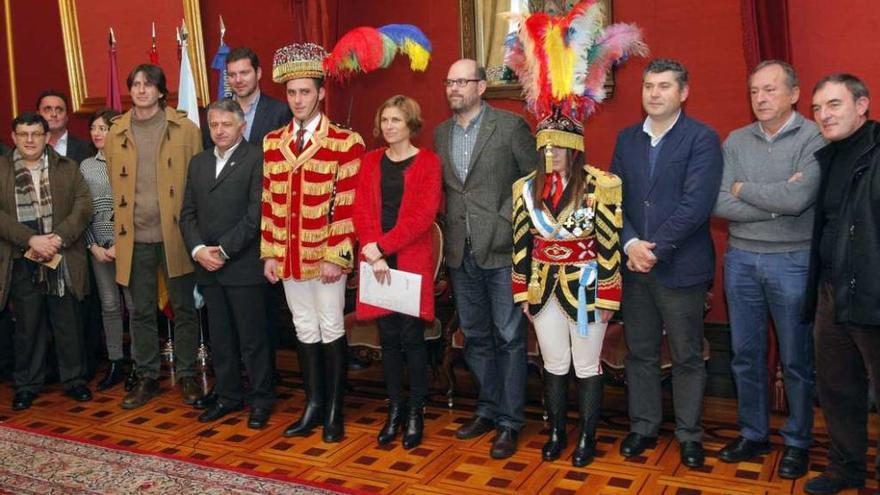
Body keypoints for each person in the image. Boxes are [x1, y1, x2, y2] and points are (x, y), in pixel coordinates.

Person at [503, 6, 642, 466]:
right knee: (553, 365)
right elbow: (521, 244)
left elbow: (608, 244)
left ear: (575, 148)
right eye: (546, 146)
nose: (552, 154)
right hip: (542, 289)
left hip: (586, 292)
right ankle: (558, 431)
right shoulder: (525, 189)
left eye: (560, 147)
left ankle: (587, 438)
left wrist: (607, 295)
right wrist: (522, 290)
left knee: (586, 366)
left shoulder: (602, 185)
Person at [713, 60, 824, 479]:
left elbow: (799, 201)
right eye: (755, 91)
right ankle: (753, 433)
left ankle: (797, 441)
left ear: (794, 94)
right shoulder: (736, 140)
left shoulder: (813, 137)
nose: (760, 98)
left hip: (793, 261)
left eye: (770, 90)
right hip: (741, 259)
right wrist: (775, 200)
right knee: (746, 355)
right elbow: (719, 201)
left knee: (796, 359)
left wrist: (746, 192)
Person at [610, 58, 723, 469]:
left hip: (680, 266)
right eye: (648, 86)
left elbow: (696, 205)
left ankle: (690, 435)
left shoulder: (702, 139)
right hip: (634, 266)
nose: (654, 94)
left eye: (663, 86)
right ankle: (642, 427)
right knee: (639, 352)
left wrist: (654, 249)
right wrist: (630, 243)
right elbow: (614, 198)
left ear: (683, 92)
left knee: (686, 355)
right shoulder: (626, 139)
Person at [433, 58, 536, 459]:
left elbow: (533, 180)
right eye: (449, 81)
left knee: (509, 336)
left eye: (462, 81)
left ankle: (511, 422)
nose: (454, 88)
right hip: (461, 251)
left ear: (481, 86)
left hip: (503, 249)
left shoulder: (509, 126)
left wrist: (506, 221)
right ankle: (488, 408)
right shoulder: (441, 134)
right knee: (475, 336)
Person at [261, 42, 364, 443]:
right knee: (303, 328)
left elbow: (347, 205)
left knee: (330, 325)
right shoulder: (273, 142)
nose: (298, 99)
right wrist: (269, 252)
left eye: (305, 91)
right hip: (286, 257)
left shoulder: (344, 141)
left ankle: (336, 410)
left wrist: (336, 256)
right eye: (291, 92)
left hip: (325, 258)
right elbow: (268, 201)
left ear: (321, 93)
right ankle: (313, 406)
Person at [103, 64, 204, 409]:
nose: (142, 90)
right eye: (136, 84)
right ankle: (146, 377)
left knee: (184, 308)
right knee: (142, 311)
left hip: (176, 236)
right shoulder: (116, 132)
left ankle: (188, 374)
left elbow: (199, 185)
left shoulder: (186, 129)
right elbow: (112, 188)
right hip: (134, 238)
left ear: (162, 92)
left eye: (149, 85)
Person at [802, 74, 880, 495]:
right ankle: (846, 468)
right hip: (832, 292)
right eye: (817, 108)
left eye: (833, 105)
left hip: (874, 292)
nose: (823, 116)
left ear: (862, 104)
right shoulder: (828, 156)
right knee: (837, 387)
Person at [352, 95, 441, 450]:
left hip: (409, 260)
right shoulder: (370, 161)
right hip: (377, 264)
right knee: (387, 340)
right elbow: (361, 211)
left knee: (412, 340)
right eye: (385, 120)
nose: (389, 126)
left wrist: (382, 248)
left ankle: (417, 412)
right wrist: (373, 253)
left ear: (411, 125)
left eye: (396, 120)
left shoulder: (429, 163)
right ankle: (395, 410)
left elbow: (422, 217)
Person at [180, 98, 274, 429]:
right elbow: (187, 213)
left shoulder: (257, 158)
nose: (220, 130)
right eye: (214, 125)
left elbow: (256, 215)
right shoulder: (198, 162)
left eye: (227, 124)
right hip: (207, 267)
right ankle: (229, 396)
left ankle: (262, 399)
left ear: (241, 126)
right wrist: (198, 251)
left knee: (253, 340)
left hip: (242, 266)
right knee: (220, 338)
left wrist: (222, 250)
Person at [0, 112, 92, 410]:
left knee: (68, 322)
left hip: (60, 255)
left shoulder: (68, 167)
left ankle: (75, 381)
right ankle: (27, 384)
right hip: (20, 257)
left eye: (36, 134)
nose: (30, 140)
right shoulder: (1, 169)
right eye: (23, 134)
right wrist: (30, 239)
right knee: (28, 325)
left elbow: (83, 204)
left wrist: (57, 238)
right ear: (13, 137)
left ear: (46, 136)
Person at [80, 108, 134, 391]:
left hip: (129, 245)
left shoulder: (129, 160)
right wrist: (92, 245)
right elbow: (82, 210)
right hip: (98, 248)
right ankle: (116, 361)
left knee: (135, 306)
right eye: (94, 128)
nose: (98, 133)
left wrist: (120, 243)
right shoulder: (86, 166)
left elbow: (131, 205)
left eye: (104, 127)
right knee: (110, 306)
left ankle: (139, 362)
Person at [36, 90, 93, 163]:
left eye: (59, 110)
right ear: (38, 115)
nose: (54, 114)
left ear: (67, 116)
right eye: (48, 109)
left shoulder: (87, 149)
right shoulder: (27, 147)